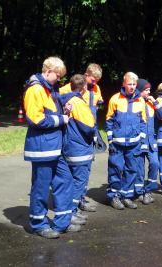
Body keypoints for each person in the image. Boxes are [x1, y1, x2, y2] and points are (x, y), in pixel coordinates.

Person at [23, 56, 81, 239]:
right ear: (48, 71)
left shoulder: (49, 89)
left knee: (65, 181)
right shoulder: (35, 89)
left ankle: (62, 222)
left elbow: (49, 114)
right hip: (42, 148)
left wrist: (64, 111)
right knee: (41, 188)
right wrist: (61, 119)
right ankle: (38, 224)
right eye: (58, 75)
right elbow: (35, 119)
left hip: (54, 147)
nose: (59, 79)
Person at [60, 63, 104, 212]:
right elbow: (59, 101)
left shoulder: (96, 89)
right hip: (77, 132)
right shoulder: (69, 88)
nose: (95, 83)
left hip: (90, 132)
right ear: (86, 76)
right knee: (75, 171)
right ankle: (71, 204)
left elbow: (97, 106)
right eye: (93, 80)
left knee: (86, 169)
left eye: (97, 81)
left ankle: (80, 199)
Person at [105, 72, 146, 210]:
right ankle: (114, 196)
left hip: (134, 144)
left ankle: (126, 196)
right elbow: (109, 120)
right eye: (130, 84)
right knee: (116, 169)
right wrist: (110, 140)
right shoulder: (115, 99)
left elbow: (143, 121)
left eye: (134, 84)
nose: (132, 87)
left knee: (131, 170)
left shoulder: (141, 100)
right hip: (117, 143)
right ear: (123, 84)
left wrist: (142, 139)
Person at [62, 74, 96, 223]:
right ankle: (71, 213)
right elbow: (88, 127)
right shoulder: (78, 102)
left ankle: (69, 211)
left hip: (68, 146)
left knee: (70, 182)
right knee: (78, 182)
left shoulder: (65, 99)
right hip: (79, 149)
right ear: (83, 88)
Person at [134, 79, 159, 204]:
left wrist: (155, 102)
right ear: (139, 90)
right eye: (146, 90)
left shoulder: (151, 103)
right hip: (139, 141)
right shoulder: (135, 103)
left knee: (155, 163)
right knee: (139, 168)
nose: (149, 92)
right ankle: (139, 192)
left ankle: (148, 190)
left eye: (149, 89)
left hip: (151, 140)